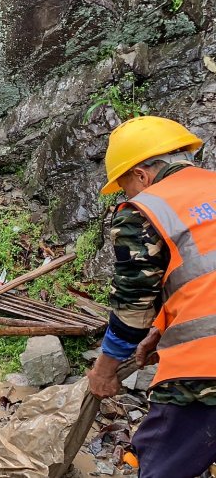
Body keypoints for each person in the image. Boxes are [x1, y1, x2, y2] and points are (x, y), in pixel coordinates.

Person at [87, 116, 216, 477]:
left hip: (206, 368)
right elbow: (203, 277)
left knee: (161, 466)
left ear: (142, 175)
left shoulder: (146, 210)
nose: (128, 196)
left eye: (126, 186)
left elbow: (133, 308)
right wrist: (161, 331)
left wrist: (105, 370)